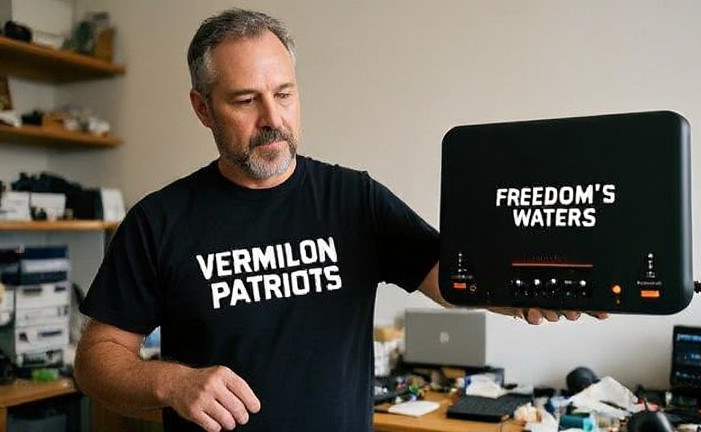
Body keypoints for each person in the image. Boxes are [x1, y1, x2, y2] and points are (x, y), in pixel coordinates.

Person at [74, 8, 593, 432]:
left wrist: (533, 286)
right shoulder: (159, 221)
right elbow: (96, 360)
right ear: (203, 108)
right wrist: (171, 383)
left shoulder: (353, 198)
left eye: (284, 94)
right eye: (245, 100)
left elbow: (452, 277)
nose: (272, 120)